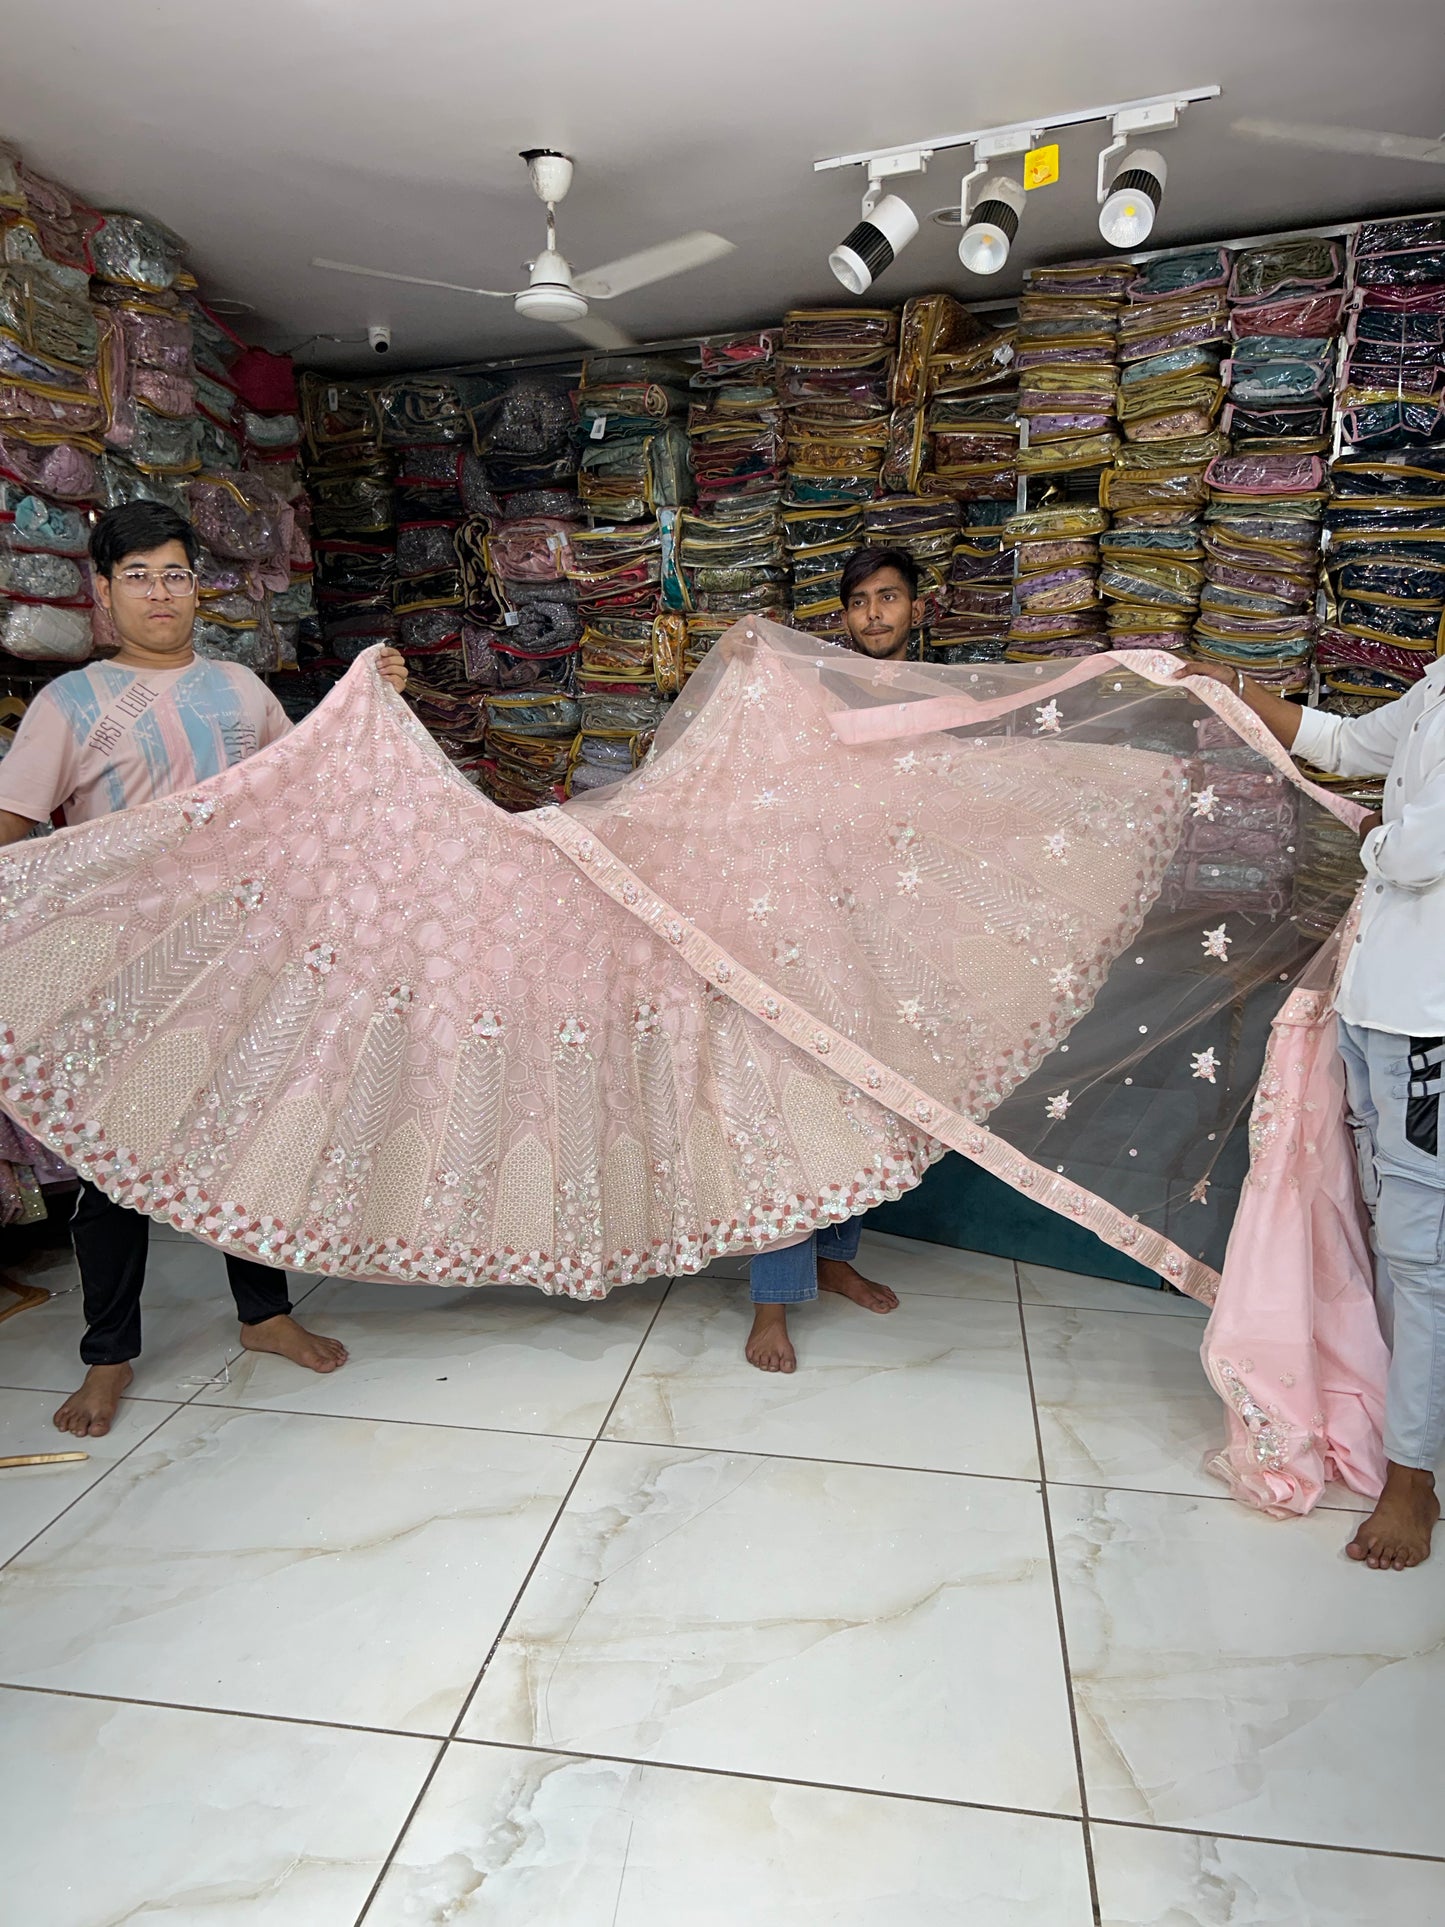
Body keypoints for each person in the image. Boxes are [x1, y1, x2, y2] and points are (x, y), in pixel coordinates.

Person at [0, 500, 409, 1438]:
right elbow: (13, 828)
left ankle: (264, 1313)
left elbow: (306, 791)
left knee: (248, 1140)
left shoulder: (239, 690)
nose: (160, 593)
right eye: (138, 576)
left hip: (243, 961)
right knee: (112, 1166)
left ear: (198, 588)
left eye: (175, 574)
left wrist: (372, 699)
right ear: (103, 592)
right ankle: (109, 1354)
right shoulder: (72, 705)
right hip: (121, 975)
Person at [1183, 655, 1445, 1570]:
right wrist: (1232, 687)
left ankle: (1411, 1477)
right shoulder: (1435, 686)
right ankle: (1394, 1418)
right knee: (1384, 1229)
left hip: (1430, 1020)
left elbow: (1417, 852)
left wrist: (1371, 833)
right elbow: (1342, 741)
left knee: (1419, 1252)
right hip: (1375, 1003)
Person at [742, 547, 925, 1373]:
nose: (873, 614)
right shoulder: (807, 694)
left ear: (917, 607)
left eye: (888, 597)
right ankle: (772, 1300)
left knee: (865, 1100)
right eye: (858, 601)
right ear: (842, 616)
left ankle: (833, 1255)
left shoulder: (942, 699)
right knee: (794, 1107)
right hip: (802, 927)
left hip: (887, 930)